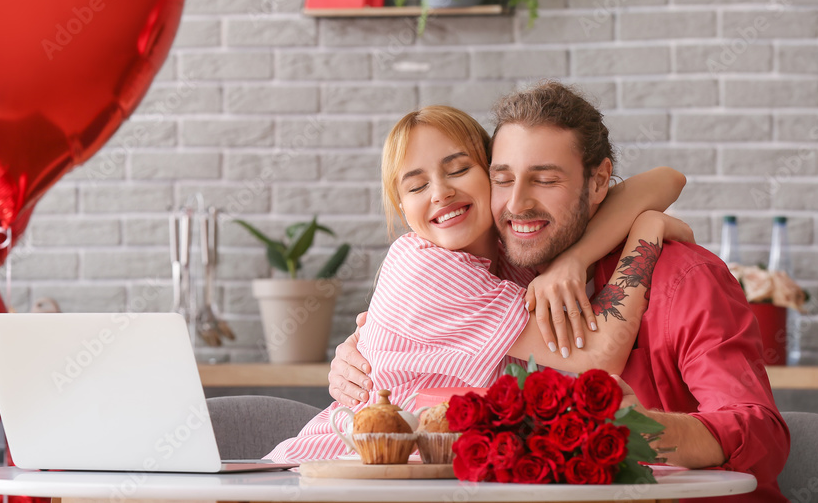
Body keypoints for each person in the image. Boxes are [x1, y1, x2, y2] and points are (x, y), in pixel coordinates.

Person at [329, 82, 789, 502]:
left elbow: (761, 433)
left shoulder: (683, 278)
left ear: (597, 181)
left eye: (546, 180)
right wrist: (362, 351)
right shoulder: (497, 279)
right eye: (503, 178)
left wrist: (642, 430)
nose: (517, 203)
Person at [265, 105, 690, 462]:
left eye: (459, 169)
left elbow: (667, 179)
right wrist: (647, 230)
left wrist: (574, 259)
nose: (441, 192)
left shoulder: (519, 245)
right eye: (416, 186)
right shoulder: (426, 267)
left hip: (432, 470)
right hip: (347, 468)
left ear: (493, 173)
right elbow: (598, 357)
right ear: (402, 206)